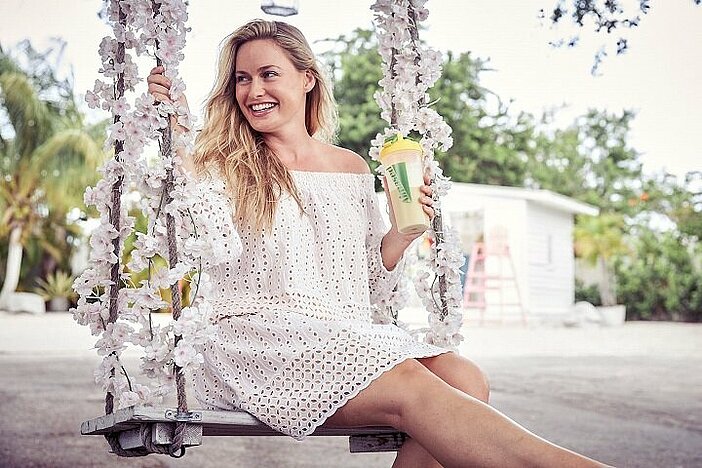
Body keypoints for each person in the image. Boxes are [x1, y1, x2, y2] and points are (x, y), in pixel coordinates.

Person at [147, 19, 611, 468]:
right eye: (242, 79)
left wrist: (402, 232)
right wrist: (181, 140)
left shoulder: (350, 168)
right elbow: (216, 247)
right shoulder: (223, 164)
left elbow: (368, 280)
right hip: (257, 338)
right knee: (411, 384)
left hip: (342, 333)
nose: (253, 91)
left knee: (465, 376)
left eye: (269, 74)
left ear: (307, 79)